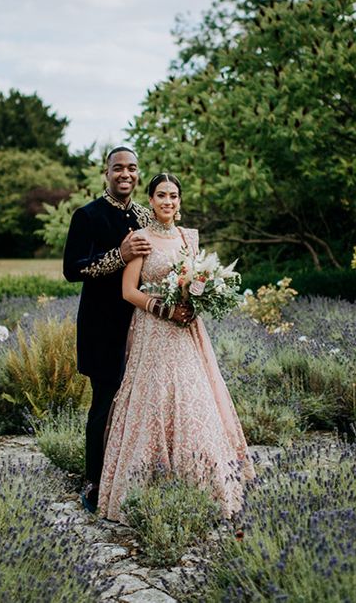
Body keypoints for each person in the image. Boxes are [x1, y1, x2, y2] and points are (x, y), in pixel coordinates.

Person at [99, 172, 255, 521]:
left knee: (192, 396)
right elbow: (128, 291)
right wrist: (164, 309)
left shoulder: (188, 238)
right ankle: (145, 488)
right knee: (154, 398)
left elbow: (194, 279)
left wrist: (195, 302)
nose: (167, 201)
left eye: (173, 196)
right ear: (150, 201)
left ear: (179, 202)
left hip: (186, 331)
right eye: (160, 196)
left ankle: (202, 486)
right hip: (152, 329)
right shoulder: (139, 238)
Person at [63, 146, 153, 513]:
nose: (125, 175)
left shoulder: (146, 216)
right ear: (106, 172)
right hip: (102, 328)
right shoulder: (87, 216)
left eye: (132, 168)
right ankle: (95, 481)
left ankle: (129, 474)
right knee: (104, 403)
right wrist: (120, 255)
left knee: (138, 404)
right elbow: (72, 270)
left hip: (142, 327)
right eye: (118, 168)